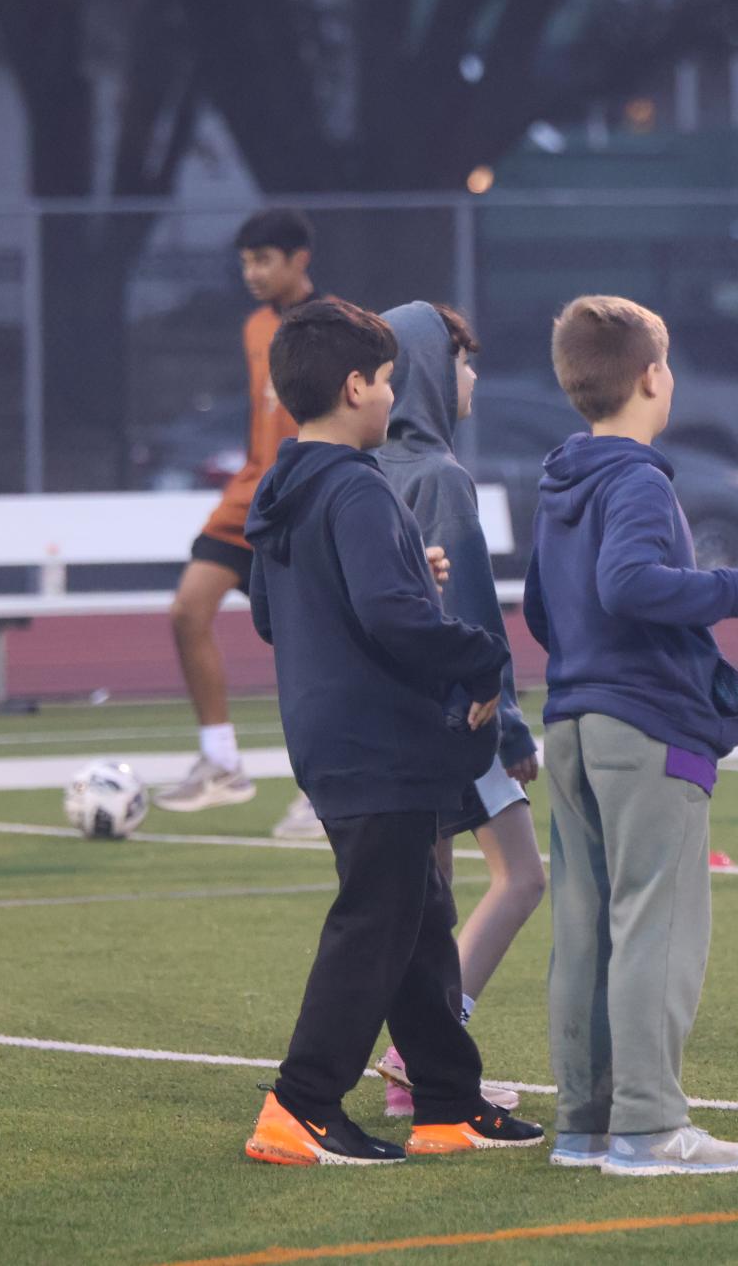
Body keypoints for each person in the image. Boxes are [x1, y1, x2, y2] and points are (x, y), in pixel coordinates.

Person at [241, 298, 542, 1166]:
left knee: (418, 921)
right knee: (375, 924)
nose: (389, 394)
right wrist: (481, 658)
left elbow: (274, 612)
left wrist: (411, 566)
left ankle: (448, 1101)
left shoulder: (287, 484)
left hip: (330, 736)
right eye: (381, 380)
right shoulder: (357, 486)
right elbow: (392, 619)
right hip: (380, 743)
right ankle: (299, 1104)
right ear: (351, 387)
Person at [524, 295, 738, 1176]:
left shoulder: (561, 476)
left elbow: (539, 604)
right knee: (655, 924)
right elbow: (630, 582)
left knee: (586, 924)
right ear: (649, 376)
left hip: (569, 717)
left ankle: (585, 1126)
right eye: (667, 363)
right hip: (642, 723)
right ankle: (647, 1128)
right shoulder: (636, 477)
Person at [368, 302, 538, 1119]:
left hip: (393, 724)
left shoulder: (365, 468)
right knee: (522, 878)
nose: (472, 377)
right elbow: (470, 613)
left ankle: (424, 1078)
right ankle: (419, 1056)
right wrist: (509, 728)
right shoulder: (439, 476)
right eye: (462, 362)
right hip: (460, 722)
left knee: (426, 904)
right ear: (432, 371)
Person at [157, 208, 318, 837]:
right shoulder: (255, 326)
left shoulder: (331, 325)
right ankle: (222, 763)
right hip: (249, 494)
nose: (252, 273)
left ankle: (323, 788)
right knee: (186, 610)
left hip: (300, 499)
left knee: (309, 651)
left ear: (299, 260)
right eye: (246, 261)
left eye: (264, 260)